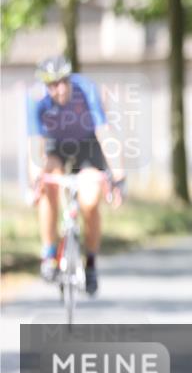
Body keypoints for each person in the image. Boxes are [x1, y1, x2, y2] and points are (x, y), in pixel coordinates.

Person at [26, 55, 125, 295]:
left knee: (89, 202)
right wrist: (35, 178)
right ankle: (49, 253)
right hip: (56, 145)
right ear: (45, 85)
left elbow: (104, 131)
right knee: (48, 185)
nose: (59, 89)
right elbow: (35, 144)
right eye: (52, 84)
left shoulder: (86, 89)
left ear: (70, 79)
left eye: (63, 81)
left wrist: (118, 174)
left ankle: (90, 263)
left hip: (86, 145)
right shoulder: (36, 99)